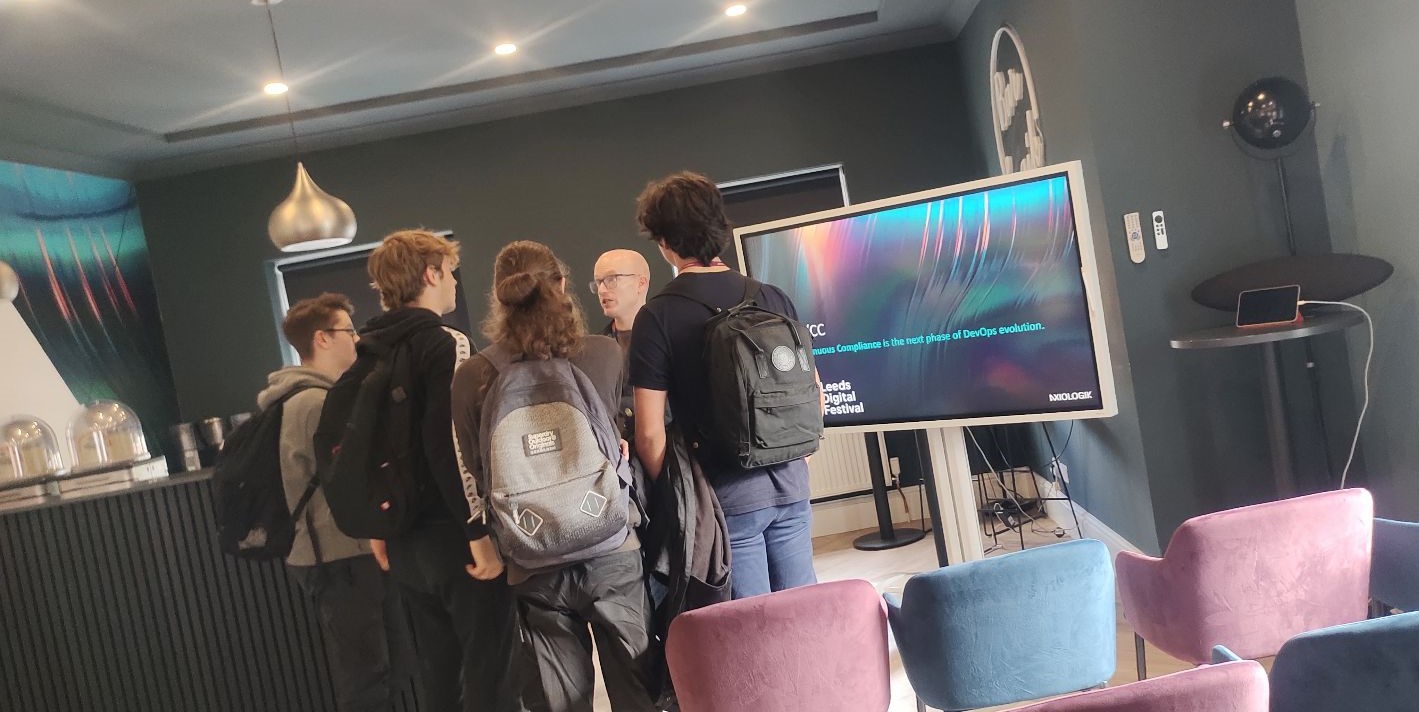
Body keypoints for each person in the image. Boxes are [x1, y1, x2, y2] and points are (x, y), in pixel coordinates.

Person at [451, 240, 655, 712]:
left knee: (556, 701)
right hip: (611, 545)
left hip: (533, 556)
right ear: (562, 286)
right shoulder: (603, 353)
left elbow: (477, 470)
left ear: (499, 298)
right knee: (638, 690)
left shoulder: (472, 376)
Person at [628, 171, 818, 599]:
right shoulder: (773, 297)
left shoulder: (657, 317)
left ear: (665, 243)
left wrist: (684, 496)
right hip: (791, 483)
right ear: (720, 227)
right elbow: (812, 391)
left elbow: (649, 434)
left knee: (751, 630)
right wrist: (796, 460)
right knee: (804, 613)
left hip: (726, 496)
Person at [361, 230, 518, 712]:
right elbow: (450, 445)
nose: (452, 283)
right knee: (491, 670)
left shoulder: (366, 349)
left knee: (438, 678)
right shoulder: (446, 343)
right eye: (449, 273)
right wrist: (478, 533)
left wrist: (377, 525)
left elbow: (363, 444)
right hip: (454, 535)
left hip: (402, 538)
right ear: (430, 274)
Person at [259, 292, 391, 712]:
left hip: (325, 553)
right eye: (348, 330)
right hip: (339, 554)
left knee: (368, 668)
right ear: (322, 338)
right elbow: (352, 475)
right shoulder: (315, 403)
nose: (356, 339)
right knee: (367, 674)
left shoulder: (290, 400)